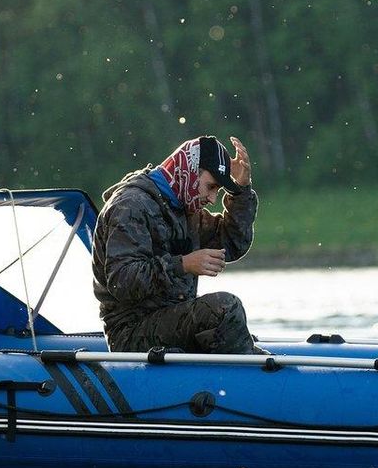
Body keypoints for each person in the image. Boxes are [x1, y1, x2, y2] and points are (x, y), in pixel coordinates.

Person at [92, 135, 262, 354]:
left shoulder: (185, 209)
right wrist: (183, 264)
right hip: (132, 333)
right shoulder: (131, 206)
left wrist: (241, 191)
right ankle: (262, 376)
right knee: (224, 308)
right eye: (210, 187)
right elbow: (122, 282)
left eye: (217, 191)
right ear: (190, 172)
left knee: (226, 318)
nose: (212, 199)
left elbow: (232, 244)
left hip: (170, 322)